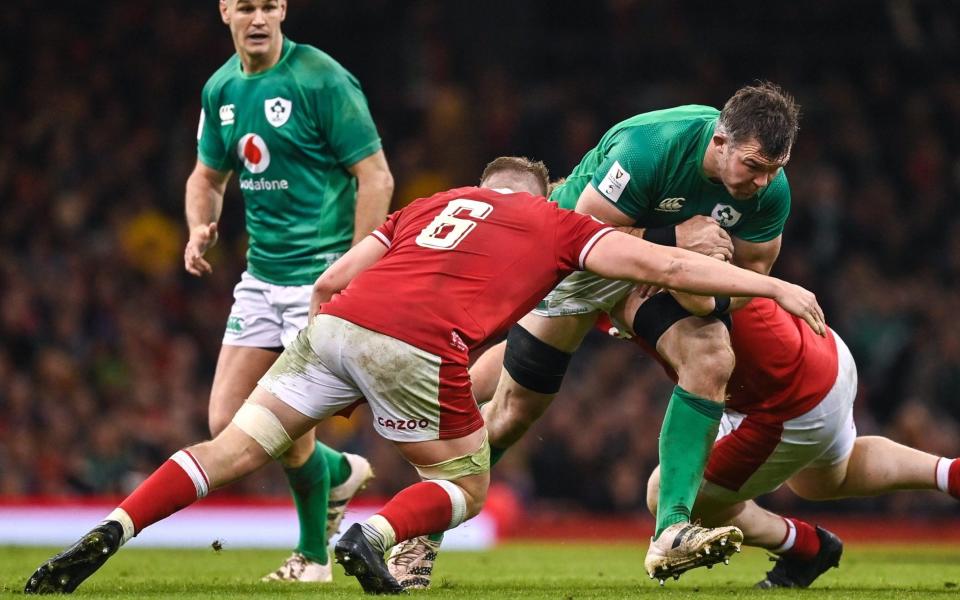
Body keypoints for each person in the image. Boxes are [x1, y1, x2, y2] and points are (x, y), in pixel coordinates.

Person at [24, 156, 826, 595]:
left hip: (337, 325)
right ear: (542, 193)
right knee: (467, 484)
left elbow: (331, 280)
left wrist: (326, 362)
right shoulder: (557, 223)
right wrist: (774, 284)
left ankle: (113, 530)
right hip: (417, 347)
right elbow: (659, 260)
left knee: (230, 447)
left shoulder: (430, 204)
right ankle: (372, 534)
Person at [464, 81, 802, 582]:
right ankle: (424, 518)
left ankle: (671, 532)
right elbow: (586, 232)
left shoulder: (771, 189)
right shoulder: (652, 147)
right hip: (579, 261)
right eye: (753, 166)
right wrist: (674, 240)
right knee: (512, 416)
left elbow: (754, 273)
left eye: (774, 170)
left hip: (657, 276)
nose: (762, 182)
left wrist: (707, 298)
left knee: (712, 357)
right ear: (720, 141)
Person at [183, 0, 393, 581]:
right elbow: (207, 176)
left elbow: (375, 176)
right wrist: (200, 224)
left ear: (283, 10)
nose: (258, 18)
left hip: (318, 278)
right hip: (261, 277)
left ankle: (312, 558)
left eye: (269, 5)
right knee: (226, 422)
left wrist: (354, 269)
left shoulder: (320, 78)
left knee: (285, 425)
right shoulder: (220, 89)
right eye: (245, 6)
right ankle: (340, 474)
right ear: (224, 10)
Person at [627, 295, 960, 588]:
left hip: (786, 402)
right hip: (820, 347)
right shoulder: (691, 242)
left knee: (664, 492)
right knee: (825, 479)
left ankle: (804, 546)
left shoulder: (638, 258)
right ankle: (951, 474)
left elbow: (654, 272)